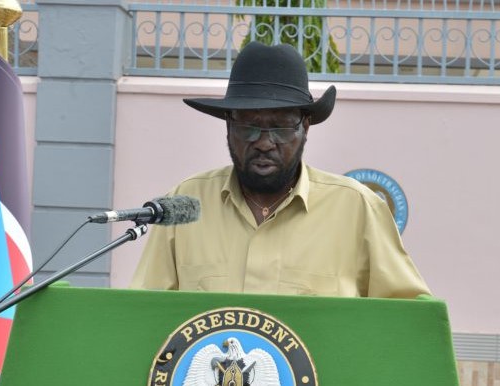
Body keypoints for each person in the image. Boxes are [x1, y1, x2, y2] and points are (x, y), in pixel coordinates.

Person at [130, 42, 430, 298]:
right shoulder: (185, 203)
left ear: (305, 127)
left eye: (281, 126)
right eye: (249, 126)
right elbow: (143, 315)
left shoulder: (357, 209)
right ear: (228, 125)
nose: (264, 142)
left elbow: (406, 321)